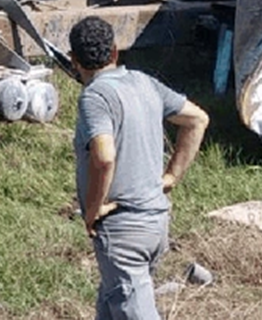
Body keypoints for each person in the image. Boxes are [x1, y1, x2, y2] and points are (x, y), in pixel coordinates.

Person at [69, 16, 210, 320]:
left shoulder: (94, 96)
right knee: (110, 307)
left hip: (123, 232)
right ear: (115, 53)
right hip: (156, 222)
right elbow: (197, 119)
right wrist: (171, 176)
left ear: (73, 59)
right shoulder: (145, 82)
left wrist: (92, 210)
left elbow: (104, 157)